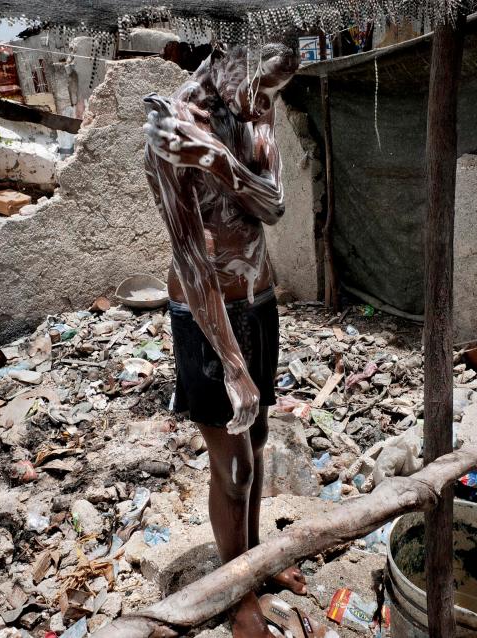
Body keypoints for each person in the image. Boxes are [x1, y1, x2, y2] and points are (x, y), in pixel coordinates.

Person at [143, 43, 305, 638]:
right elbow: (191, 258)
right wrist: (232, 366)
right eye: (264, 74)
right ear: (225, 53)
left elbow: (275, 205)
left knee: (257, 445)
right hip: (204, 314)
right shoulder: (170, 128)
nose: (271, 89)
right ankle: (236, 596)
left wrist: (219, 162)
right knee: (232, 468)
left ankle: (255, 565)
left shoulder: (254, 110)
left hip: (259, 301)